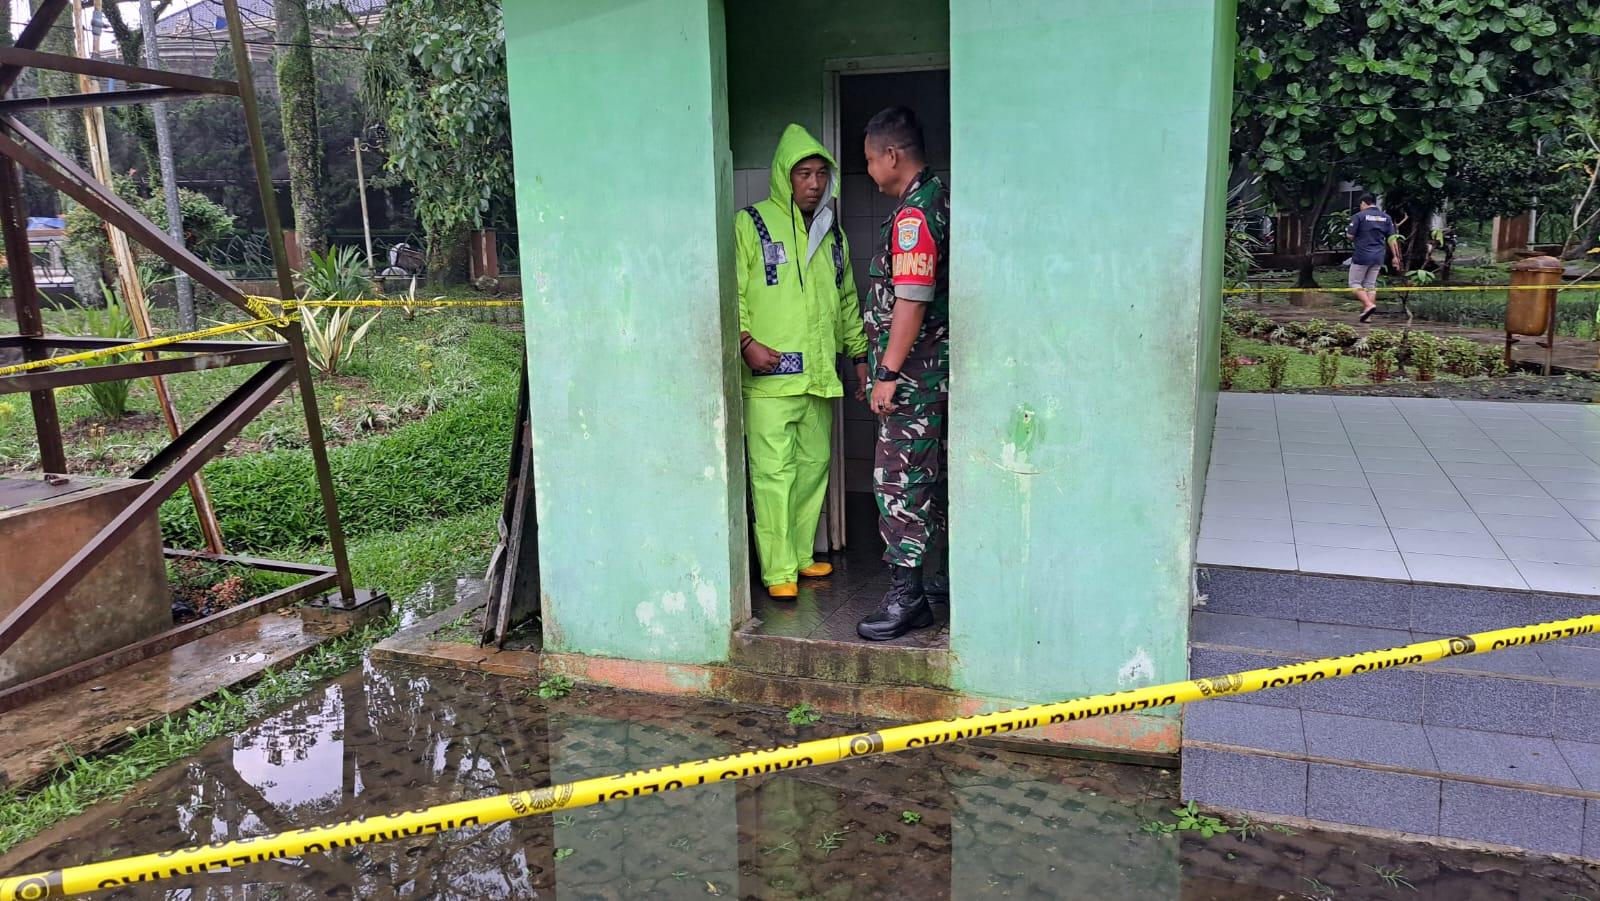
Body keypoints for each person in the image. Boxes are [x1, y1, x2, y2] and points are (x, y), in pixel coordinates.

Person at [736, 124, 869, 600]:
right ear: (783, 177)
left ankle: (799, 557)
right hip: (770, 379)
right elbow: (731, 293)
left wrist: (858, 357)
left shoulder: (832, 237)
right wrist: (745, 341)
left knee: (813, 468)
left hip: (818, 376)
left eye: (820, 174)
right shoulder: (750, 224)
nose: (814, 183)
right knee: (774, 475)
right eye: (803, 174)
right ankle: (777, 572)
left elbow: (847, 301)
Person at [854, 107, 951, 642]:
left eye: (870, 159)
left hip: (913, 376)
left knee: (898, 482)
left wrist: (887, 371)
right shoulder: (934, 199)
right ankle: (931, 580)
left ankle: (907, 598)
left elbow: (912, 300)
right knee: (926, 476)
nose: (869, 169)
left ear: (892, 155)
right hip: (930, 373)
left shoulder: (915, 214)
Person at [1346, 193, 1403, 323]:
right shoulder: (1386, 217)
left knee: (1354, 283)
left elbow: (1350, 235)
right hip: (1378, 256)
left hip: (1362, 255)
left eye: (1360, 205)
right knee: (1370, 285)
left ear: (1363, 203)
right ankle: (1368, 315)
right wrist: (1396, 257)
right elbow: (1392, 238)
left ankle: (1368, 305)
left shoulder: (1359, 216)